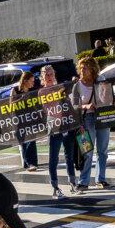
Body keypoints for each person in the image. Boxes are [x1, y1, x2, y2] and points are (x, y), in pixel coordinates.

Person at [71, 56, 115, 191]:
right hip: (85, 120)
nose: (82, 71)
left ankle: (100, 179)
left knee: (102, 151)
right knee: (87, 151)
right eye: (80, 68)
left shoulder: (101, 81)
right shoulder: (77, 86)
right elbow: (73, 106)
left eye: (85, 68)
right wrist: (85, 106)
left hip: (102, 117)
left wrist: (114, 100)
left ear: (92, 69)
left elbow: (108, 98)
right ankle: (83, 181)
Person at [41, 65, 77, 200]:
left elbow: (69, 104)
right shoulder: (41, 92)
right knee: (53, 158)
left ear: (54, 75)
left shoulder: (61, 87)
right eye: (46, 75)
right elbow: (48, 107)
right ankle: (55, 187)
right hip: (53, 127)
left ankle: (73, 183)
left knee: (69, 155)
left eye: (51, 74)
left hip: (66, 124)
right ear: (43, 77)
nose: (49, 77)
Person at [11, 71, 39, 171]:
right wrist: (21, 99)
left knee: (32, 140)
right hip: (19, 118)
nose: (33, 83)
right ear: (25, 81)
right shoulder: (15, 90)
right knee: (23, 141)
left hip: (30, 117)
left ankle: (33, 163)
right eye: (31, 81)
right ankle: (28, 163)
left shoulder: (32, 90)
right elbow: (11, 104)